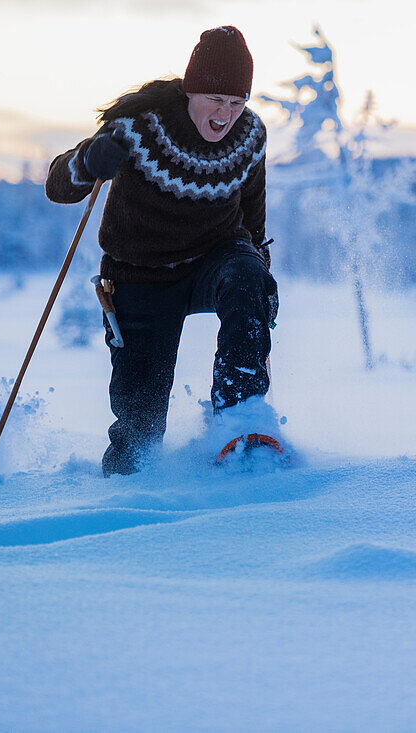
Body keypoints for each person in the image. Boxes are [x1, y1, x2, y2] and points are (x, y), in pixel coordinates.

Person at [45, 26, 277, 476]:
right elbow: (58, 186)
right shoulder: (137, 128)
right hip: (140, 275)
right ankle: (127, 486)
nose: (225, 113)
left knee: (249, 275)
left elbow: (252, 215)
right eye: (215, 99)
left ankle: (240, 420)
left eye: (237, 102)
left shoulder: (250, 136)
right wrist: (89, 160)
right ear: (191, 90)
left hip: (216, 259)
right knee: (139, 431)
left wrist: (258, 284)